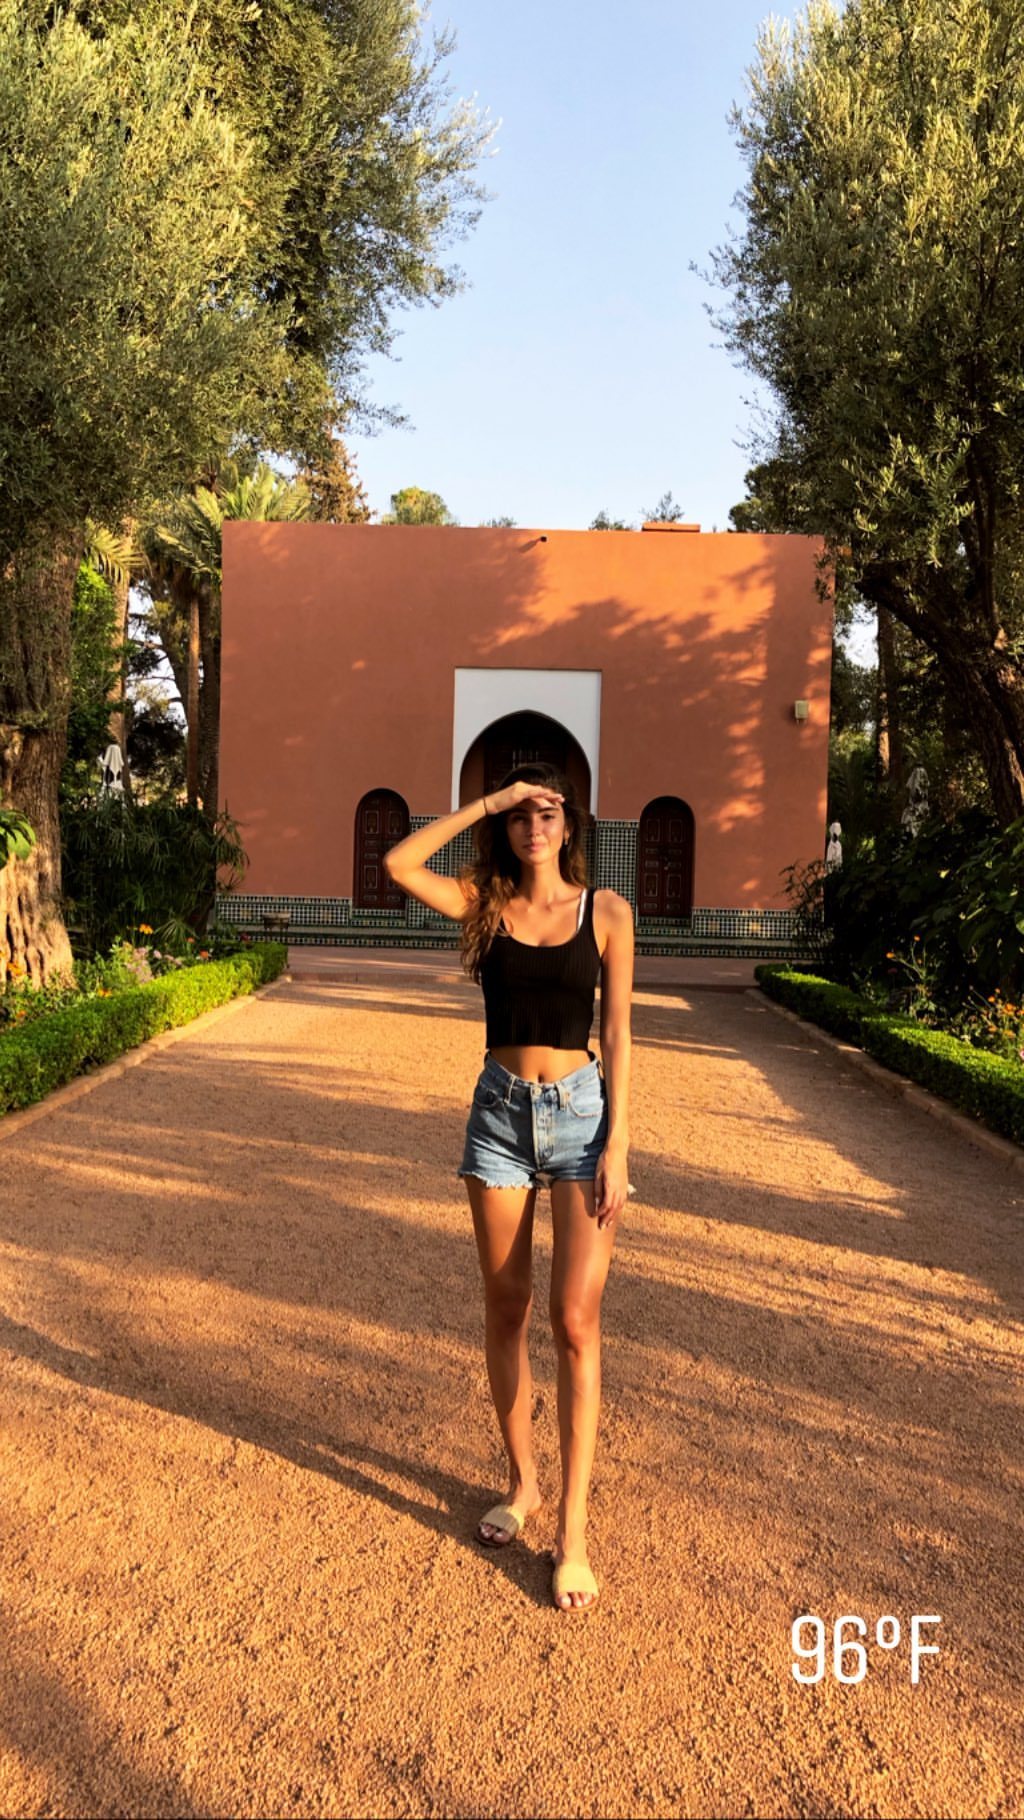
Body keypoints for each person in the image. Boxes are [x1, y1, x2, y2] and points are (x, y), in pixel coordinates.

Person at [384, 762, 634, 1612]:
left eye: (548, 811)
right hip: (498, 1116)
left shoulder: (606, 912)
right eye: (521, 814)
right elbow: (399, 864)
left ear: (569, 824)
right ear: (507, 825)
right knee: (506, 1306)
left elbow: (618, 1033)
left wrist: (618, 1142)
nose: (534, 825)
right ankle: (524, 1483)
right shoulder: (483, 906)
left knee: (575, 1319)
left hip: (582, 1119)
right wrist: (488, 799)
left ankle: (573, 1532)